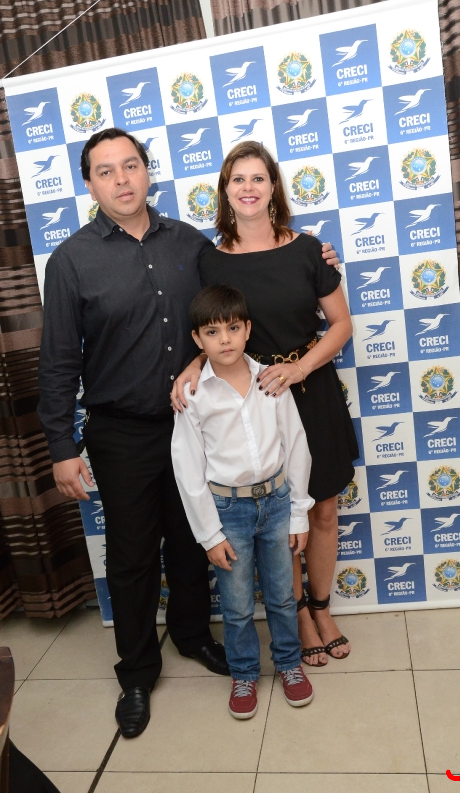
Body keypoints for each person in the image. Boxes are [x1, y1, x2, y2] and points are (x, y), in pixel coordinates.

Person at [38, 128, 338, 738]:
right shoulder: (70, 260)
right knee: (131, 556)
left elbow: (227, 304)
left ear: (147, 172)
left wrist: (316, 260)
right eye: (105, 171)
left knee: (191, 543)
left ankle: (194, 636)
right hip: (121, 431)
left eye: (131, 166)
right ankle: (136, 673)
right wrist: (62, 447)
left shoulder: (190, 244)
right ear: (89, 184)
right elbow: (59, 359)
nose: (121, 180)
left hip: (198, 425)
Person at [172, 141, 359, 668]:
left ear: (273, 186)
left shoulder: (309, 250)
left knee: (323, 508)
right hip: (253, 401)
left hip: (310, 389)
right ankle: (296, 616)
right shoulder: (209, 260)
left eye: (258, 178)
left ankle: (321, 608)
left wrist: (300, 369)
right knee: (277, 518)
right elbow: (211, 326)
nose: (249, 188)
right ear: (225, 190)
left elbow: (341, 325)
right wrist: (193, 365)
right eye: (238, 179)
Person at [172, 284, 314, 718]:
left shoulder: (271, 379)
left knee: (282, 596)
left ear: (248, 329)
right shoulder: (193, 394)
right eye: (212, 332)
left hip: (277, 503)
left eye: (233, 328)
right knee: (236, 606)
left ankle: (288, 664)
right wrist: (209, 535)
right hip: (227, 512)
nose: (225, 340)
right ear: (197, 340)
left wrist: (299, 513)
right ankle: (245, 672)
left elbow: (296, 446)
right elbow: (188, 467)